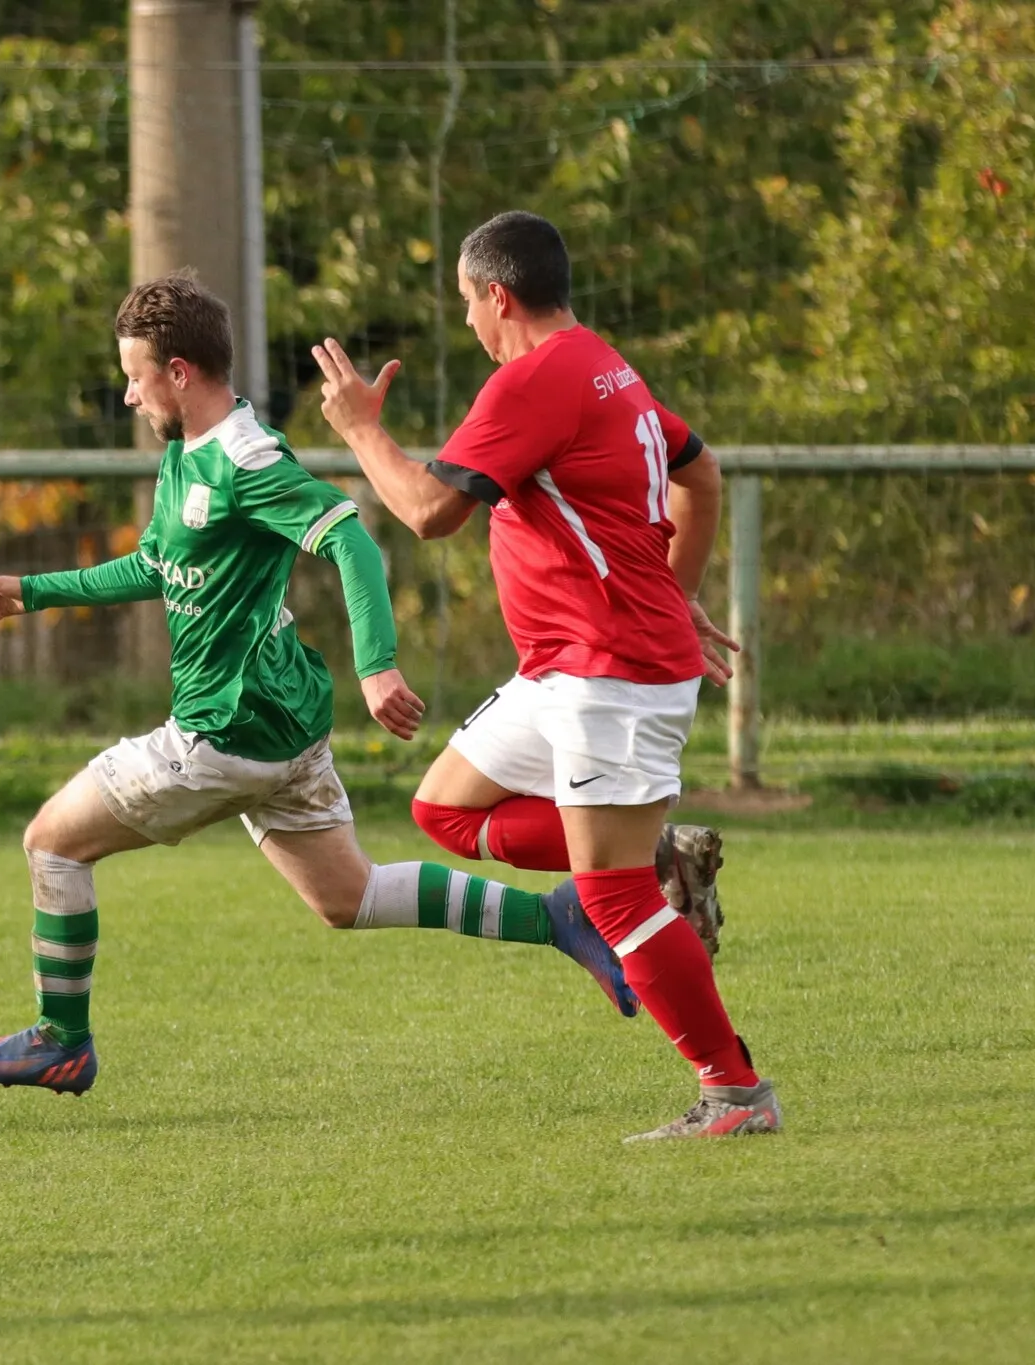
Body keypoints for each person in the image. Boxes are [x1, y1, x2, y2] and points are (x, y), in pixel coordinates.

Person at [0, 271, 637, 1097]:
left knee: (51, 842)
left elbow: (351, 538)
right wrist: (31, 592)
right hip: (286, 729)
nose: (128, 395)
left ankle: (61, 1039)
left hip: (224, 734)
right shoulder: (185, 455)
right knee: (349, 896)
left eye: (135, 377)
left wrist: (377, 665)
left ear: (178, 373)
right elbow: (157, 565)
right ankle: (559, 917)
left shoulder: (246, 459)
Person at [311, 210, 780, 1141]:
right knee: (446, 808)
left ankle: (735, 1093)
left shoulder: (536, 378)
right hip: (568, 667)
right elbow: (701, 474)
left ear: (499, 295)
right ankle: (655, 857)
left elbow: (428, 510)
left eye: (467, 303)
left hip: (613, 670)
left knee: (612, 899)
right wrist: (675, 587)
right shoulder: (605, 365)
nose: (469, 323)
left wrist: (363, 431)